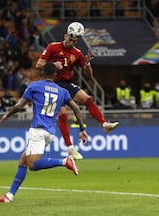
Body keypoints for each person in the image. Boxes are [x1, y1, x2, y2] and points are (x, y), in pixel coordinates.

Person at [0, 62, 88, 203]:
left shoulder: (34, 86)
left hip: (38, 130)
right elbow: (76, 108)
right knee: (24, 160)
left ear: (42, 73)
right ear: (55, 75)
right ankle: (9, 196)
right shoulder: (62, 91)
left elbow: (20, 105)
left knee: (32, 164)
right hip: (50, 132)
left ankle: (64, 161)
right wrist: (82, 129)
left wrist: (7, 115)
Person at [35, 21, 119, 160]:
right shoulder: (53, 47)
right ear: (65, 35)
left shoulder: (77, 53)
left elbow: (89, 76)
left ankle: (104, 124)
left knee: (87, 98)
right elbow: (39, 65)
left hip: (66, 84)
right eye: (70, 39)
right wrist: (53, 65)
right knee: (63, 114)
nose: (72, 42)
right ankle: (70, 148)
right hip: (51, 84)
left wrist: (87, 64)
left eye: (75, 40)